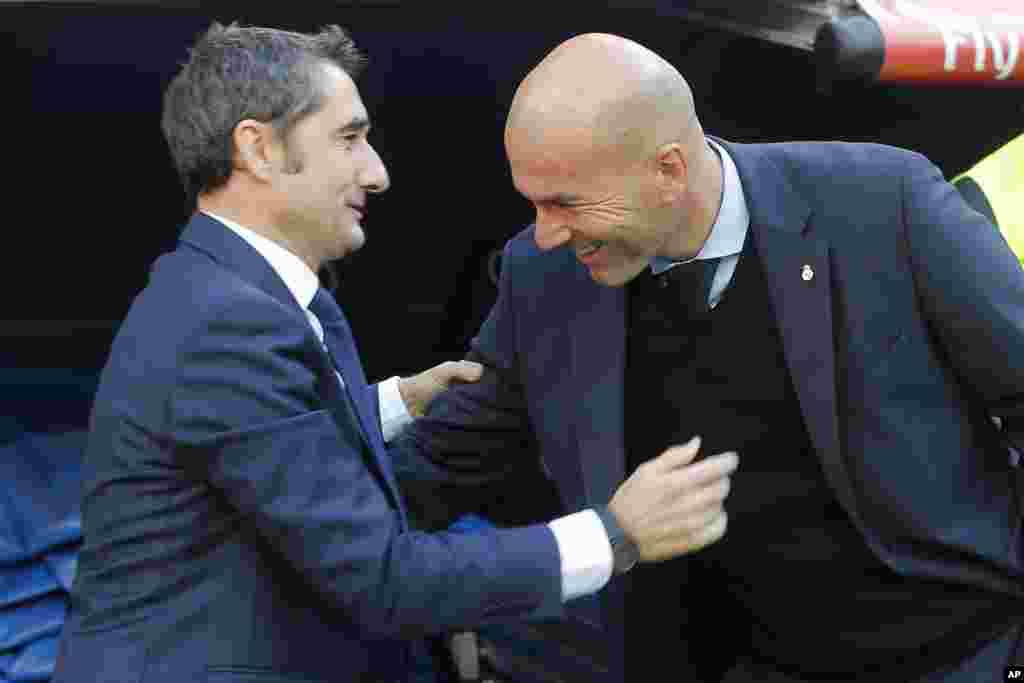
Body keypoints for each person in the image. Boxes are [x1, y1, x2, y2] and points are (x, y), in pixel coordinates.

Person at [50, 23, 739, 683]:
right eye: (349, 138)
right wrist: (614, 533)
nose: (376, 173)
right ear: (258, 150)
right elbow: (383, 579)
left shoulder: (223, 294)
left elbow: (262, 451)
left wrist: (395, 402)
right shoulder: (226, 325)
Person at [393, 32, 1024, 682]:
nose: (545, 233)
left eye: (565, 203)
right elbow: (441, 461)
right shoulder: (542, 276)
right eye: (533, 202)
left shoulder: (883, 201)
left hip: (965, 651)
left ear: (668, 169)